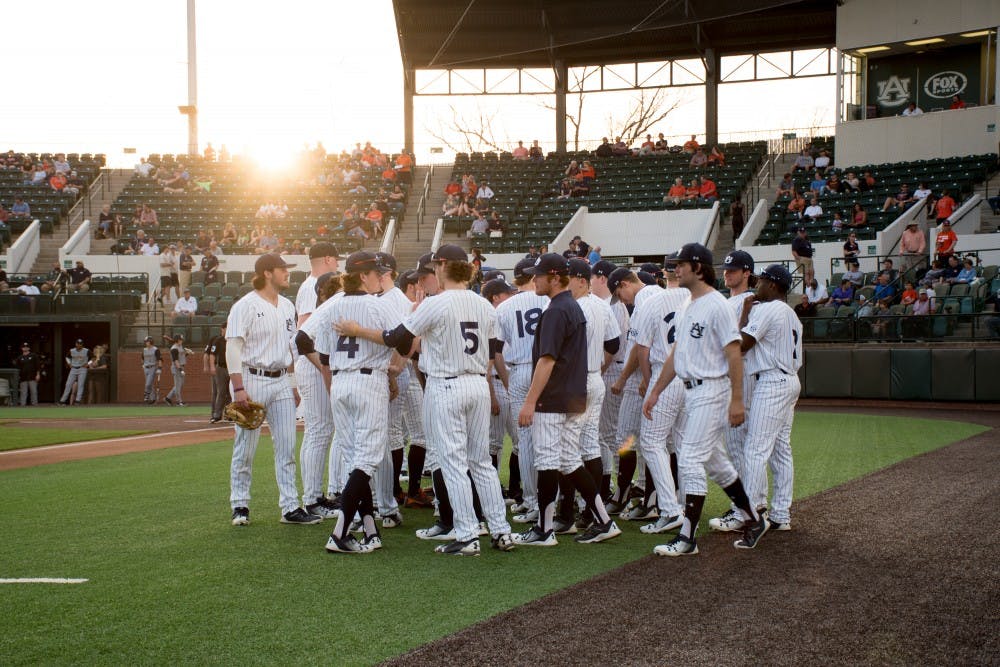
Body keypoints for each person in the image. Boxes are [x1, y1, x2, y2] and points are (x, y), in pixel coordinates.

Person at [337, 244, 515, 555]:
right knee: (481, 462)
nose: (430, 273)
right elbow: (492, 347)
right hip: (476, 383)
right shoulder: (483, 303)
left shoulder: (437, 303)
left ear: (443, 265)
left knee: (454, 463)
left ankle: (467, 534)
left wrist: (358, 330)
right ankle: (500, 531)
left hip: (447, 385)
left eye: (433, 267)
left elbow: (397, 339)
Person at [642, 243, 761, 556]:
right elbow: (675, 354)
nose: (675, 269)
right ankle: (753, 517)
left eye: (681, 264)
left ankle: (687, 538)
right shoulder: (688, 304)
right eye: (675, 264)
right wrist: (656, 391)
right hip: (691, 389)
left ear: (698, 268)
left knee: (691, 457)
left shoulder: (716, 305)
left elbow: (733, 352)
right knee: (717, 463)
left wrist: (737, 400)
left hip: (711, 388)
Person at [512, 253, 621, 546]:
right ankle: (604, 520)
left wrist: (530, 401)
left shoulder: (557, 309)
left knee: (548, 460)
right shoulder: (571, 305)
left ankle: (544, 530)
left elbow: (547, 360)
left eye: (539, 275)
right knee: (570, 460)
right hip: (574, 393)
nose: (534, 279)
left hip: (556, 395)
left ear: (555, 277)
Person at [307, 252, 402, 554]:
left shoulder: (330, 307)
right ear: (362, 276)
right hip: (368, 381)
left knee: (355, 460)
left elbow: (319, 353)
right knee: (367, 459)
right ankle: (339, 533)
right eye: (375, 273)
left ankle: (370, 530)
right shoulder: (379, 305)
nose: (379, 277)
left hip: (340, 382)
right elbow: (402, 340)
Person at [227, 254, 319, 527]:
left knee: (287, 446)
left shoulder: (287, 305)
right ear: (267, 273)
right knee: (246, 447)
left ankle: (290, 506)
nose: (287, 273)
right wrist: (238, 387)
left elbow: (292, 348)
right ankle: (240, 504)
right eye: (283, 269)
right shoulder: (245, 306)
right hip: (251, 378)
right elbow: (233, 348)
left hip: (280, 380)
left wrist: (292, 384)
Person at [736, 264, 803, 540]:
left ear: (774, 285)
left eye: (762, 280)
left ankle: (754, 516)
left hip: (773, 382)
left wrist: (744, 314)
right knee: (781, 450)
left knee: (755, 450)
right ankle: (781, 515)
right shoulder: (791, 314)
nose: (757, 284)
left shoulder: (769, 308)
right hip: (790, 381)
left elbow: (741, 344)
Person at [495, 258, 551, 523]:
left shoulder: (505, 306)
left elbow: (495, 350)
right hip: (547, 369)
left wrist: (507, 381)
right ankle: (553, 500)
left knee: (526, 440)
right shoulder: (548, 301)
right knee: (551, 436)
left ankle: (532, 503)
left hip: (519, 370)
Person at [205, 323, 230, 423]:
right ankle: (217, 414)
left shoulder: (233, 340)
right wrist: (211, 366)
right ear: (222, 329)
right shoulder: (218, 340)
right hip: (221, 368)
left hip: (232, 368)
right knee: (221, 392)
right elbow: (212, 354)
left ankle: (229, 414)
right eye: (226, 329)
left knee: (231, 393)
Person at [59, 339, 89, 406]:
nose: (79, 345)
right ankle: (62, 401)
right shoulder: (72, 350)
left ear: (82, 344)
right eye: (78, 343)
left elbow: (94, 357)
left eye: (80, 344)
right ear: (75, 344)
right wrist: (69, 363)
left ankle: (77, 401)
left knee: (80, 385)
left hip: (82, 368)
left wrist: (88, 363)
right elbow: (67, 357)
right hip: (73, 368)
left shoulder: (86, 350)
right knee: (68, 384)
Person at [164, 334, 188, 406]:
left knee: (180, 385)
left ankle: (168, 398)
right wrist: (180, 370)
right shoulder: (174, 348)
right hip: (176, 368)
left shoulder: (180, 346)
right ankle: (179, 401)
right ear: (177, 340)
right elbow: (176, 360)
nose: (182, 341)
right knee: (177, 386)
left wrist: (188, 353)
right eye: (180, 340)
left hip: (182, 366)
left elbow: (181, 356)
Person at [141, 336, 162, 404]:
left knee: (148, 384)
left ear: (151, 341)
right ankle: (152, 399)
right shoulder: (144, 349)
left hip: (152, 367)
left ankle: (146, 394)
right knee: (150, 384)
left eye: (147, 341)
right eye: (145, 341)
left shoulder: (156, 349)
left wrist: (159, 368)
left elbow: (160, 359)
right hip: (146, 368)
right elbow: (142, 358)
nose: (146, 343)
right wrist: (143, 365)